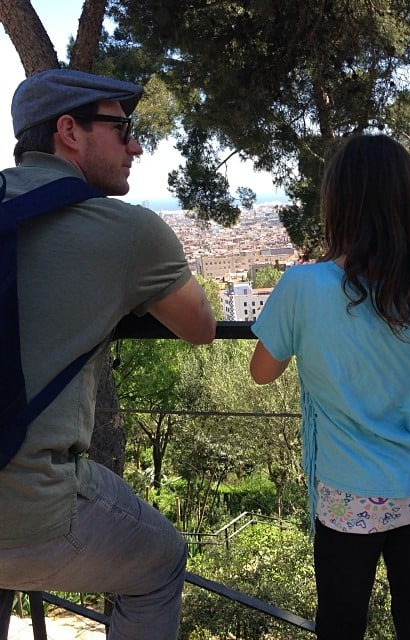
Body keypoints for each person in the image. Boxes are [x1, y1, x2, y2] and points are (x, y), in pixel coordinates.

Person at [0, 68, 216, 639]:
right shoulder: (128, 232)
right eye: (122, 128)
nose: (136, 144)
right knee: (161, 560)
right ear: (69, 131)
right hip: (30, 510)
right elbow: (200, 327)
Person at [250, 133, 410, 639]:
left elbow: (261, 372)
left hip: (346, 493)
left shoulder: (301, 287)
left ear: (337, 204)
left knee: (341, 622)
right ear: (408, 202)